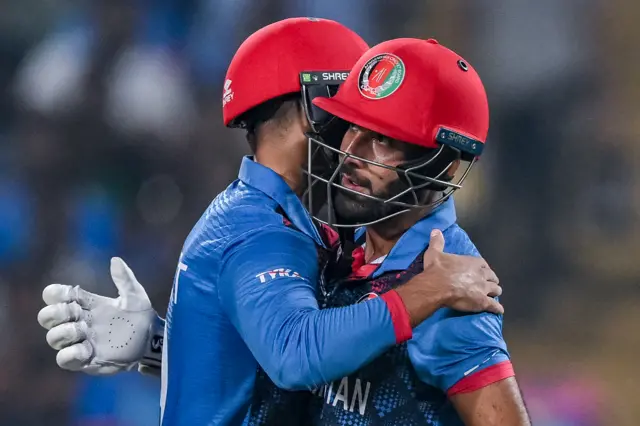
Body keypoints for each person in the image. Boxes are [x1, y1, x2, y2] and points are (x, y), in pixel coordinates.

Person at [37, 19, 502, 426]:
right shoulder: (264, 234)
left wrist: (166, 345)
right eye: (349, 112)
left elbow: (268, 371)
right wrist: (430, 289)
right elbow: (296, 356)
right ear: (314, 108)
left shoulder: (271, 216)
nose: (357, 133)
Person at [293, 37, 531, 425]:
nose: (352, 152)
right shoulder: (346, 245)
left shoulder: (453, 294)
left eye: (383, 139)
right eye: (352, 127)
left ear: (446, 165)